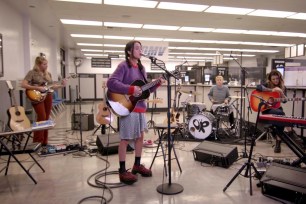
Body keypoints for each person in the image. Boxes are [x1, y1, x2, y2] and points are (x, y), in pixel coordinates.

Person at [106, 40, 165, 185]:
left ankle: (137, 165)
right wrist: (131, 89)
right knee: (125, 139)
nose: (140, 50)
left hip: (139, 107)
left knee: (140, 137)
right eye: (137, 48)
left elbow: (144, 91)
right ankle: (122, 171)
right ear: (129, 52)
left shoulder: (141, 68)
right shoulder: (123, 66)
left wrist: (156, 84)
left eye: (141, 48)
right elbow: (111, 83)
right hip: (126, 107)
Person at [21, 56, 66, 153]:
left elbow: (52, 86)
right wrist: (38, 88)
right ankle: (37, 141)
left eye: (47, 64)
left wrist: (62, 85)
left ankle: (45, 142)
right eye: (44, 64)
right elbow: (23, 84)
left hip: (48, 96)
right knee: (41, 117)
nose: (46, 66)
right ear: (38, 64)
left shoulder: (48, 74)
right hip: (37, 97)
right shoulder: (32, 73)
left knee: (47, 118)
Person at [256, 70, 287, 153]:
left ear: (279, 78)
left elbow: (285, 101)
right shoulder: (267, 84)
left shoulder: (283, 87)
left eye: (277, 79)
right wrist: (271, 90)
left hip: (278, 109)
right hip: (267, 109)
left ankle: (278, 143)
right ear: (270, 79)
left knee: (281, 118)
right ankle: (284, 137)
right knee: (282, 115)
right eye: (273, 79)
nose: (275, 80)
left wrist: (281, 92)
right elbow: (258, 87)